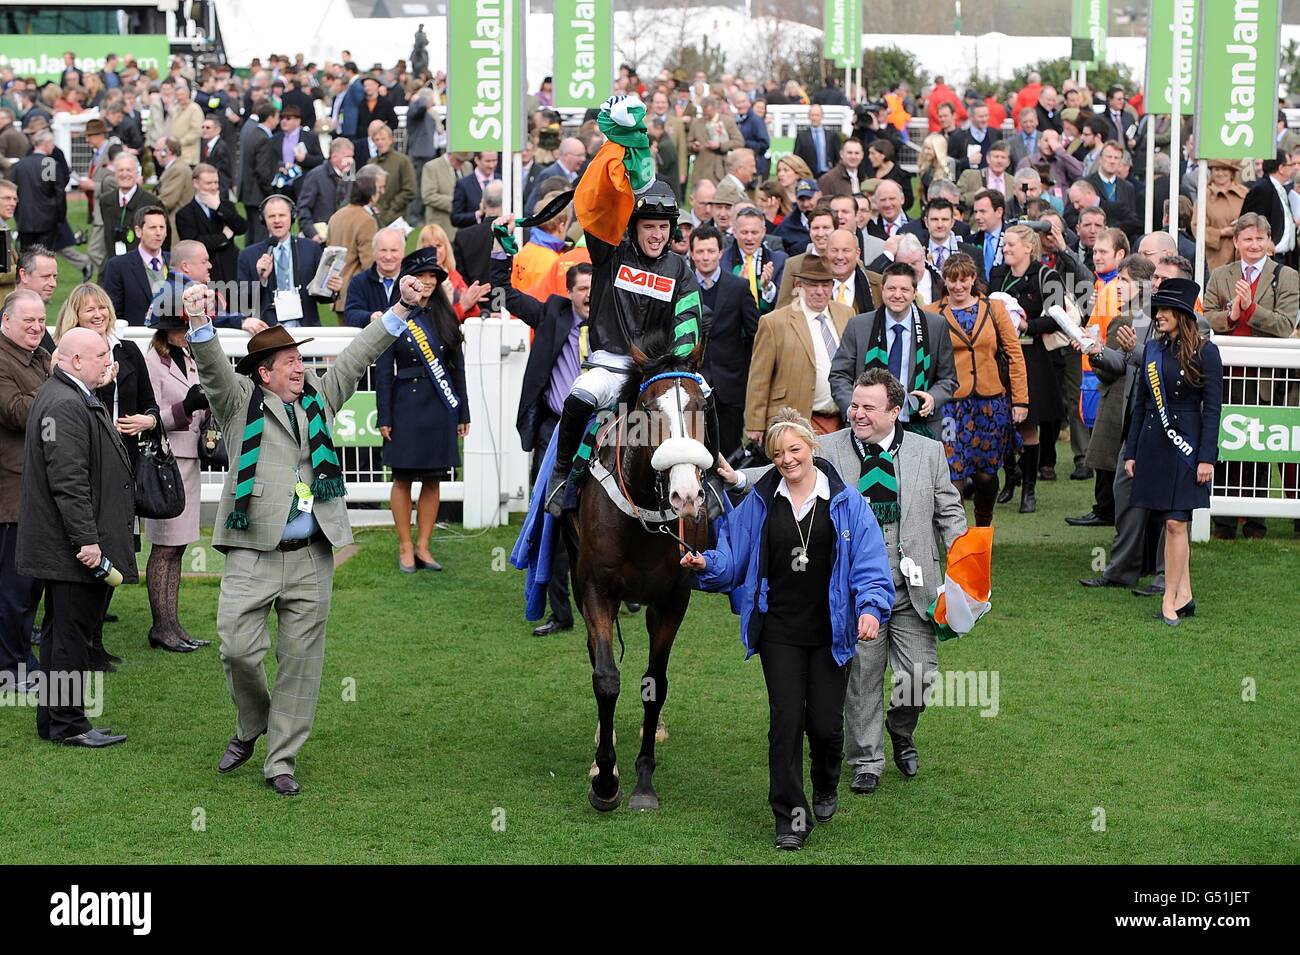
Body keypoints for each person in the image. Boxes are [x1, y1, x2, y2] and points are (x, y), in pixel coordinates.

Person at [181, 269, 418, 795]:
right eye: (288, 362)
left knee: (301, 662)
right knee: (236, 649)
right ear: (264, 374)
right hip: (251, 551)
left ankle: (280, 760)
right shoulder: (238, 402)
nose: (299, 367)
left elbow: (357, 356)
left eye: (299, 359)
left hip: (313, 552)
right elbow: (214, 369)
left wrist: (399, 310)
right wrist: (199, 320)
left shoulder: (319, 396)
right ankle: (252, 724)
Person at [684, 408, 894, 850]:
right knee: (785, 721)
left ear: (812, 448)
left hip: (830, 632)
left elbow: (872, 565)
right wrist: (706, 564)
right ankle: (790, 819)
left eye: (794, 449)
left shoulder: (847, 502)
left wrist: (872, 608)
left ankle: (826, 781)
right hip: (778, 629)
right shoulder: (760, 500)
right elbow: (732, 557)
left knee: (824, 727)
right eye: (777, 453)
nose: (786, 459)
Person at [540, 168, 708, 516]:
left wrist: (672, 364)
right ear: (634, 227)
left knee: (705, 397)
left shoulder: (681, 269)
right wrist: (616, 159)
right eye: (649, 226)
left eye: (663, 227)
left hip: (658, 371)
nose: (657, 234)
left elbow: (688, 319)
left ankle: (712, 480)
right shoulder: (610, 253)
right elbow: (593, 209)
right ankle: (563, 473)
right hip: (609, 365)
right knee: (579, 398)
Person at [17, 326, 133, 747]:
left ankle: (56, 721)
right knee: (70, 634)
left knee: (60, 633)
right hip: (73, 548)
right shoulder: (65, 402)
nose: (109, 360)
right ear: (76, 360)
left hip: (64, 544)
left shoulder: (65, 394)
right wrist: (87, 542)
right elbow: (68, 481)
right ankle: (68, 724)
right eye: (102, 354)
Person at [1123, 278, 1222, 627]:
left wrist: (1207, 456)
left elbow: (1212, 409)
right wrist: (1131, 451)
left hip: (1188, 446)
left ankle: (1170, 598)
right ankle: (1186, 595)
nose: (1158, 316)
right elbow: (1140, 404)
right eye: (1157, 310)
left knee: (1177, 522)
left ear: (1182, 313)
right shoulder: (1152, 349)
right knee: (1170, 520)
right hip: (1154, 443)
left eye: (1164, 310)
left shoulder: (1207, 352)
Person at [1202, 213, 1300, 539]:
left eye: (1260, 239)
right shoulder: (1220, 274)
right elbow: (1206, 319)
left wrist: (1250, 309)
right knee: (1225, 446)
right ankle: (1224, 524)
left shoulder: (1286, 276)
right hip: (1225, 376)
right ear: (1236, 242)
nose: (1254, 245)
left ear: (1269, 241)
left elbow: (1285, 325)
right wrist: (1231, 314)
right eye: (1248, 239)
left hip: (1266, 378)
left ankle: (1256, 524)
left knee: (1258, 448)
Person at [374, 248, 471, 574]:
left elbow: (457, 369)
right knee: (401, 477)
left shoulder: (446, 316)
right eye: (423, 276)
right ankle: (404, 546)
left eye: (434, 277)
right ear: (410, 280)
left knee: (433, 480)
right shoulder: (397, 314)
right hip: (405, 405)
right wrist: (384, 414)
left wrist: (462, 411)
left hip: (441, 406)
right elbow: (384, 369)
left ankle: (424, 547)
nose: (429, 282)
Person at [1078, 255, 1167, 592]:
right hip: (1133, 420)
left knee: (1161, 504)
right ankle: (1121, 570)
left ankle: (1160, 574)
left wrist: (1135, 351)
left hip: (1161, 423)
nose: (1119, 288)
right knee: (1124, 494)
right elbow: (1118, 364)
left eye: (1126, 282)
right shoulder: (1130, 315)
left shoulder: (1173, 318)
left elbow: (1166, 362)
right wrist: (1095, 350)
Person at [932, 253, 1028, 524]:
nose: (958, 286)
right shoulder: (932, 312)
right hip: (950, 405)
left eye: (964, 279)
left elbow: (1014, 353)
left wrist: (1020, 400)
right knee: (953, 477)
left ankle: (983, 525)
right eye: (952, 280)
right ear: (945, 281)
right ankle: (957, 538)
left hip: (990, 404)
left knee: (986, 476)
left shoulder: (994, 309)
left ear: (973, 279)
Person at [140, 308, 209, 652]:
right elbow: (149, 416)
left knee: (178, 547)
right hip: (167, 460)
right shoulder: (153, 361)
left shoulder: (188, 357)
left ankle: (172, 623)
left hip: (190, 456)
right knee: (165, 546)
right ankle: (160, 626)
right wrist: (186, 407)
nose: (187, 332)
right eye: (181, 327)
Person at [989, 224, 1069, 513]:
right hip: (999, 357)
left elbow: (1057, 317)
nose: (1006, 249)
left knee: (1027, 422)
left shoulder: (1046, 276)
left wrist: (1025, 325)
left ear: (1028, 247)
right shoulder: (998, 274)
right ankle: (1011, 477)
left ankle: (1029, 491)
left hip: (1030, 354)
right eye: (1004, 244)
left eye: (1011, 244)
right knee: (1002, 422)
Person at [830, 261, 959, 439]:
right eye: (891, 289)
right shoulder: (858, 325)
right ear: (882, 289)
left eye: (904, 290)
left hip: (919, 424)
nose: (897, 295)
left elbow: (948, 378)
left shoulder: (935, 326)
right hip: (867, 426)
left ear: (914, 292)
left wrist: (932, 397)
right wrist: (853, 408)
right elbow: (838, 375)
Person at [0, 289, 51, 692]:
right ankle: (10, 668)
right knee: (13, 590)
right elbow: (17, 412)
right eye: (28, 321)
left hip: (35, 491)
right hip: (10, 493)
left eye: (41, 320)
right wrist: (55, 387)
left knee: (29, 588)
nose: (37, 327)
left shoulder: (39, 357)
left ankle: (21, 659)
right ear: (6, 322)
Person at [747, 256, 853, 439]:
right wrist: (755, 424)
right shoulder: (775, 322)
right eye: (813, 285)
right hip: (794, 420)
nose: (820, 291)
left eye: (826, 285)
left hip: (841, 419)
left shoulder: (846, 314)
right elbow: (759, 377)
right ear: (799, 286)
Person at [691, 224, 758, 458]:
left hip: (730, 386)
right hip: (693, 384)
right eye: (700, 251)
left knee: (730, 451)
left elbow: (754, 333)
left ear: (720, 253)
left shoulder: (738, 287)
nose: (705, 257)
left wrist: (746, 372)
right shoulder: (682, 286)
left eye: (710, 251)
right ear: (691, 254)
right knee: (696, 450)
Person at [237, 196, 342, 327]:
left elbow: (322, 297)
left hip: (305, 328)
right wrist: (261, 280)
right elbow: (243, 303)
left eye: (282, 215)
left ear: (291, 217)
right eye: (271, 216)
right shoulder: (248, 255)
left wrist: (332, 288)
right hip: (268, 330)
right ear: (263, 220)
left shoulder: (311, 248)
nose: (277, 220)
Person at [175, 162, 248, 285]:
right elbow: (196, 243)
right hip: (205, 275)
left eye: (216, 182)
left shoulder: (226, 206)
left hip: (231, 271)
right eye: (209, 183)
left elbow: (242, 227)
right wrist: (224, 237)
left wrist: (219, 207)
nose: (214, 187)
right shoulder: (184, 214)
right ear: (195, 183)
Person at [325, 167, 384, 317]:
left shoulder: (336, 216)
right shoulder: (366, 220)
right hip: (357, 296)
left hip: (338, 292)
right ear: (371, 195)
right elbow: (369, 263)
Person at [101, 206, 171, 326]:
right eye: (153, 228)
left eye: (162, 227)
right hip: (136, 337)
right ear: (138, 231)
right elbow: (113, 312)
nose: (158, 233)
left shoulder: (174, 262)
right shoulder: (118, 266)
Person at [98, 152, 164, 260]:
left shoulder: (152, 203)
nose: (124, 174)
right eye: (121, 170)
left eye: (129, 170)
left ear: (137, 173)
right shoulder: (106, 201)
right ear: (114, 174)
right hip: (113, 264)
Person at [418, 224, 490, 322]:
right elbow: (430, 321)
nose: (435, 251)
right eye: (429, 247)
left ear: (446, 248)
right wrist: (463, 306)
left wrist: (472, 302)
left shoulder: (454, 275)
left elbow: (473, 317)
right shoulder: (416, 279)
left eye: (438, 246)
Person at [1239, 149, 1298, 264]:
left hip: (1285, 258)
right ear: (1281, 168)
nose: (1293, 168)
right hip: (1268, 259)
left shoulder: (1280, 189)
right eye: (1290, 165)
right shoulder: (1262, 189)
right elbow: (1249, 223)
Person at [366, 121, 416, 228]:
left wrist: (391, 209)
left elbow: (410, 190)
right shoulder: (371, 162)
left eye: (383, 139)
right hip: (374, 216)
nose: (380, 142)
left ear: (390, 140)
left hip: (396, 217)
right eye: (377, 140)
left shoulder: (402, 161)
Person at [688, 96, 744, 188]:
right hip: (701, 170)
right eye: (704, 112)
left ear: (715, 109)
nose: (706, 115)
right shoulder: (696, 123)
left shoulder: (727, 121)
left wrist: (720, 145)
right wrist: (694, 146)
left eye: (708, 112)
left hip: (720, 170)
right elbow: (689, 143)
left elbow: (739, 142)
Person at [422, 151, 471, 238]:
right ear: (450, 154)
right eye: (459, 160)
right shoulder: (431, 167)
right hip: (442, 227)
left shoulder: (467, 166)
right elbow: (428, 196)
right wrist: (457, 203)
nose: (462, 163)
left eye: (464, 160)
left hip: (465, 229)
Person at [451, 151, 501, 228]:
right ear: (477, 160)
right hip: (473, 236)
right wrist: (478, 214)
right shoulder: (463, 184)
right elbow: (455, 218)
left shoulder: (504, 180)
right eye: (488, 161)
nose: (492, 165)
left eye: (494, 160)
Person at [794, 105, 841, 178]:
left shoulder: (831, 135)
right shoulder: (802, 136)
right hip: (809, 175)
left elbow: (837, 156)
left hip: (828, 174)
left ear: (822, 116)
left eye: (817, 115)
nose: (814, 118)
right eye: (812, 115)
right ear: (809, 116)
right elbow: (797, 157)